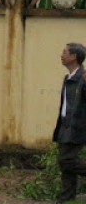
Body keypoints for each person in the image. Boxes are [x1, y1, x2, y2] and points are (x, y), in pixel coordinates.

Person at [53, 42, 86, 203]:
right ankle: (66, 198)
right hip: (65, 126)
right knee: (66, 166)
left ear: (74, 57)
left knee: (66, 160)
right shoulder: (68, 78)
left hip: (77, 127)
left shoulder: (83, 78)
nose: (62, 55)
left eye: (65, 52)